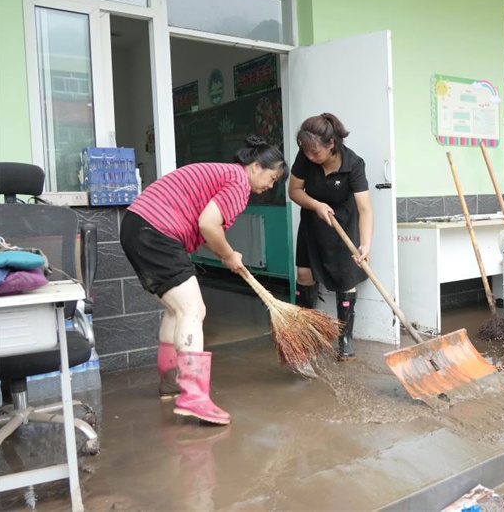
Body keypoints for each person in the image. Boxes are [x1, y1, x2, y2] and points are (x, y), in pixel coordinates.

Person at [120, 137, 288, 425]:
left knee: (176, 310)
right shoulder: (238, 182)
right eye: (272, 178)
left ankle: (171, 383)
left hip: (139, 227)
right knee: (193, 310)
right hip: (156, 231)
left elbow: (208, 229)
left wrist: (227, 255)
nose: (270, 186)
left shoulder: (226, 175)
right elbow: (208, 224)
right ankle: (194, 397)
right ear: (256, 167)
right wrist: (228, 254)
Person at [288, 113, 373, 361]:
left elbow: (365, 209)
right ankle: (305, 333)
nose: (310, 157)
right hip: (313, 222)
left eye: (315, 152)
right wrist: (316, 205)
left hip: (343, 224)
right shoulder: (306, 156)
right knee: (304, 275)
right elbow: (294, 191)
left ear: (331, 144)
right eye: (306, 152)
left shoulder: (353, 164)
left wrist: (365, 244)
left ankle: (345, 338)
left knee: (346, 277)